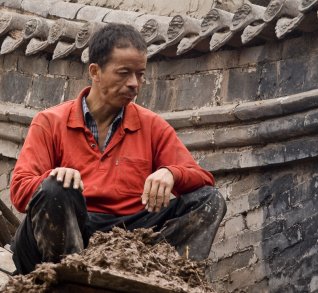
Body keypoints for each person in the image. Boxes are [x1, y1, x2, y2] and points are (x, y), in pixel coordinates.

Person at [10, 23, 226, 275]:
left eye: (140, 74)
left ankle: (160, 275)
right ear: (95, 71)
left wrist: (171, 173)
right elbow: (19, 191)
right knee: (56, 188)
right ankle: (70, 276)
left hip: (130, 239)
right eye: (124, 73)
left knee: (209, 200)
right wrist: (54, 178)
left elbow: (203, 180)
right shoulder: (50, 121)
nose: (134, 83)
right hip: (66, 234)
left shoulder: (153, 126)